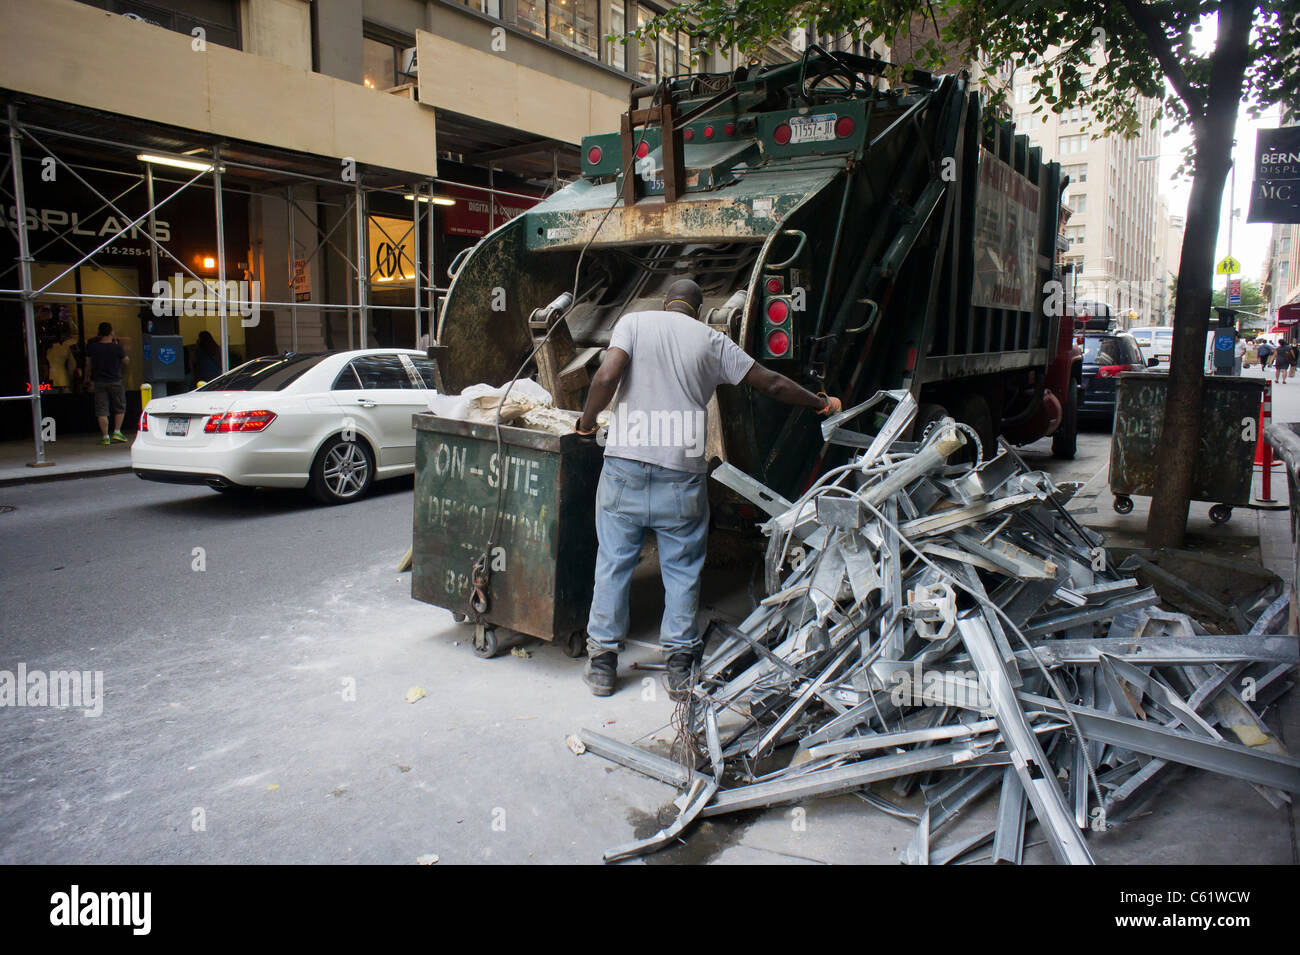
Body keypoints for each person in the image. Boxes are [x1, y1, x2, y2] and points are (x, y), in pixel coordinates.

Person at [574, 278, 841, 699]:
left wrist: (586, 424)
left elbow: (607, 374)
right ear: (697, 310)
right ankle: (679, 668)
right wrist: (819, 402)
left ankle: (603, 665)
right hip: (680, 474)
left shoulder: (634, 323)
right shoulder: (712, 341)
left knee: (613, 563)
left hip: (624, 467)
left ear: (667, 303)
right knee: (681, 569)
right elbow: (771, 383)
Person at [84, 322, 129, 444]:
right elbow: (126, 361)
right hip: (115, 381)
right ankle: (117, 431)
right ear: (111, 332)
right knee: (119, 406)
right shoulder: (117, 348)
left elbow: (88, 365)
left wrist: (87, 378)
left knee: (101, 409)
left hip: (99, 382)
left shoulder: (93, 347)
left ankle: (105, 436)